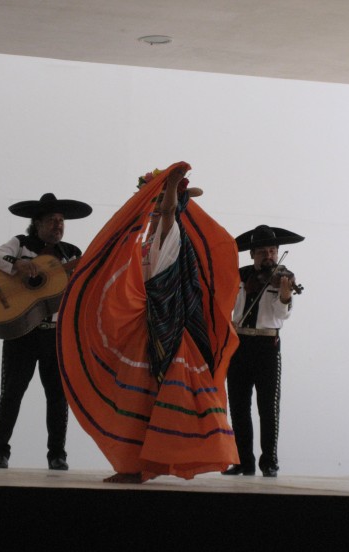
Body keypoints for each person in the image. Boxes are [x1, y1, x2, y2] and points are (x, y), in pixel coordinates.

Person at [57, 162, 240, 483]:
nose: (151, 214)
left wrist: (168, 185)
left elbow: (168, 215)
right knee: (137, 403)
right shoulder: (143, 242)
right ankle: (133, 466)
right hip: (144, 331)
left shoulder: (169, 239)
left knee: (154, 402)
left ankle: (142, 467)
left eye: (155, 208)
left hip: (164, 332)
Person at [0, 193, 92, 470]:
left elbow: (83, 289)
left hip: (55, 334)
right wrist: (17, 264)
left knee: (58, 396)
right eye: (51, 220)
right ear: (37, 223)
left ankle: (57, 455)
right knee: (11, 392)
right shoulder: (21, 244)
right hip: (22, 332)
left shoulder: (72, 253)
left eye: (61, 221)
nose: (58, 225)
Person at [223, 224, 304, 477]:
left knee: (268, 407)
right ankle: (242, 461)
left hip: (267, 346)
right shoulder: (238, 275)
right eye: (262, 252)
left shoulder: (283, 277)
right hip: (239, 344)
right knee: (238, 406)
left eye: (272, 251)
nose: (268, 256)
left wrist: (285, 294)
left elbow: (283, 315)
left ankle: (269, 461)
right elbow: (226, 304)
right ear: (252, 255)